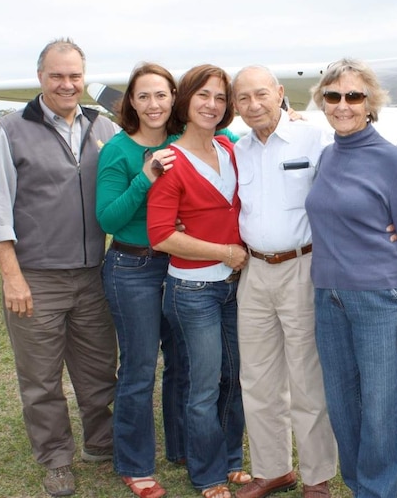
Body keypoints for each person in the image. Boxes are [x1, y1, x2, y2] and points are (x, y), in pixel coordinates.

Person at [0, 38, 118, 497]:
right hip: (36, 276)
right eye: (57, 75)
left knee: (99, 371)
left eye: (75, 75)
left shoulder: (104, 128)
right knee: (40, 379)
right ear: (40, 78)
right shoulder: (9, 131)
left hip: (93, 274)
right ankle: (56, 458)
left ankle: (102, 443)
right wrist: (12, 277)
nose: (67, 84)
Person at [304, 58, 397, 498]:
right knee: (343, 409)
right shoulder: (325, 156)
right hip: (328, 299)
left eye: (353, 96)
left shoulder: (392, 161)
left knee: (379, 413)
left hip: (381, 300)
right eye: (333, 96)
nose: (343, 105)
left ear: (370, 103)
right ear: (323, 101)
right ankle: (362, 488)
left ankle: (379, 492)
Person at [230, 66, 338, 498]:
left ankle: (316, 476)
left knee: (307, 379)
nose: (253, 105)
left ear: (279, 94)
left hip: (301, 268)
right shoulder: (237, 148)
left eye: (261, 94)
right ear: (235, 105)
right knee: (257, 378)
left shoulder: (313, 138)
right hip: (253, 271)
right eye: (243, 98)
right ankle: (273, 469)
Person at [146, 64, 250, 498]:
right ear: (186, 101)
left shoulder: (230, 147)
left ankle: (230, 459)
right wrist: (224, 252)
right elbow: (161, 235)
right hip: (194, 290)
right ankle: (207, 474)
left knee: (236, 377)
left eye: (221, 98)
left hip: (234, 287)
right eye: (203, 95)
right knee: (204, 384)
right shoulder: (169, 162)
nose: (212, 105)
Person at [95, 62, 182, 498]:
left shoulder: (185, 141)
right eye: (144, 96)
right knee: (140, 368)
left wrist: (292, 119)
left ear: (173, 98)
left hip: (183, 266)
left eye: (162, 94)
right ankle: (134, 463)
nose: (154, 104)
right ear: (131, 101)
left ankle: (182, 448)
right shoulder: (118, 149)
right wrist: (145, 177)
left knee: (183, 363)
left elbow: (237, 145)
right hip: (133, 268)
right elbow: (109, 217)